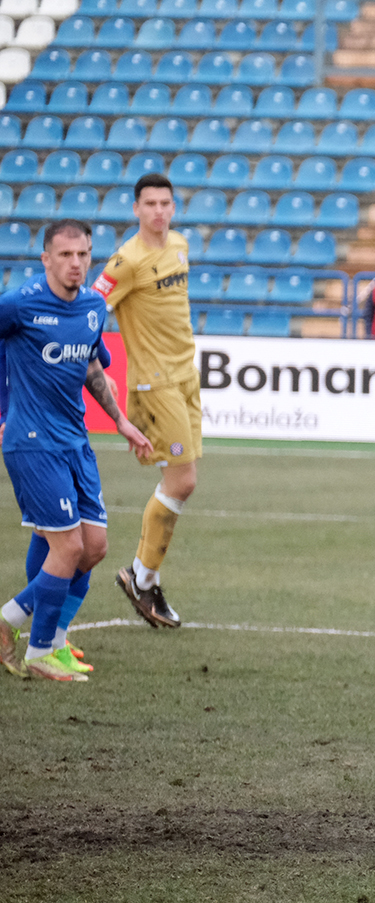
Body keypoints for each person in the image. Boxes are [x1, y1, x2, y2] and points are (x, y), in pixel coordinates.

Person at [0, 219, 154, 680]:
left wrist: (122, 422)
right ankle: (39, 650)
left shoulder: (92, 306)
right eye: (65, 255)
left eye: (83, 254)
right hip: (32, 441)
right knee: (66, 546)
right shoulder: (19, 305)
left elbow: (91, 367)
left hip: (75, 440)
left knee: (93, 547)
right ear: (45, 258)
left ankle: (25, 628)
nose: (75, 264)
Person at [92, 172, 196, 628]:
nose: (158, 211)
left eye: (165, 203)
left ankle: (142, 577)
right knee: (182, 481)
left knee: (183, 482)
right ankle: (142, 579)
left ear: (173, 208)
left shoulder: (179, 245)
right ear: (135, 209)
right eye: (149, 203)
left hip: (186, 377)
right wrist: (96, 366)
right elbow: (90, 312)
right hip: (155, 383)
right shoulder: (125, 262)